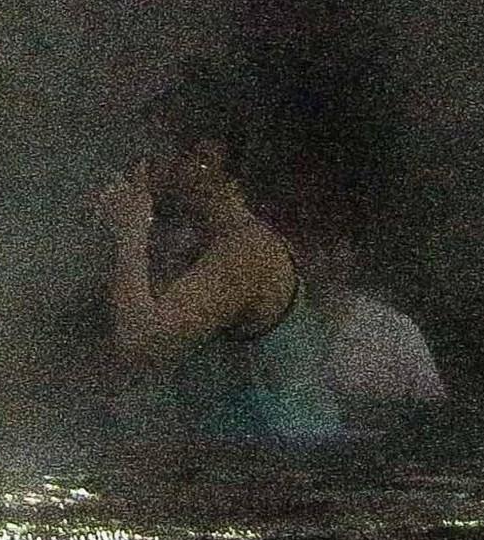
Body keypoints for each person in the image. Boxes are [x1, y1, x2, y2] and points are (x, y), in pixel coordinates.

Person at [93, 82, 345, 448]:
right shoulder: (206, 244)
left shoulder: (248, 250)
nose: (141, 168)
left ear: (206, 159)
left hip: (280, 458)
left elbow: (142, 344)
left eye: (154, 151)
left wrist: (130, 231)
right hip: (240, 453)